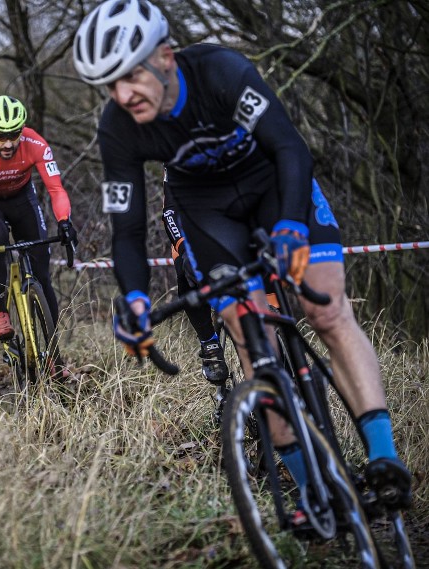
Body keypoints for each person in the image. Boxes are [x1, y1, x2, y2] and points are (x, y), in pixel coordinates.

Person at [72, 0, 411, 513]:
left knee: (325, 308)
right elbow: (127, 229)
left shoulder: (220, 71)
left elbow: (291, 148)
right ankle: (309, 490)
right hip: (208, 211)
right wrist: (136, 298)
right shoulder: (118, 126)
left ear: (164, 56)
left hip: (275, 184)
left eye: (131, 76)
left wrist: (293, 226)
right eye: (110, 85)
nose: (123, 95)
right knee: (252, 337)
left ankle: (385, 459)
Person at [0, 95, 78, 376]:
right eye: (1, 136)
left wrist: (64, 221)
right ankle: (0, 311)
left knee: (42, 273)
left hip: (23, 199)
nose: (9, 143)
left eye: (14, 134)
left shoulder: (35, 143)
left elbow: (56, 190)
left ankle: (53, 352)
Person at [162, 202, 228, 385]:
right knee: (188, 271)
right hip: (192, 219)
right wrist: (183, 248)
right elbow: (169, 212)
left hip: (234, 215)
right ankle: (209, 342)